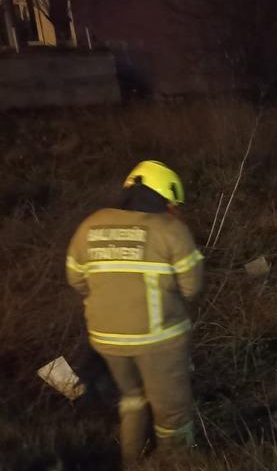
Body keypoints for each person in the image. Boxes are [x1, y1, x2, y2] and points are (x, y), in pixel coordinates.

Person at [65, 160, 204, 462]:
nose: (174, 210)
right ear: (164, 197)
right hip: (159, 341)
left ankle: (130, 460)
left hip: (106, 341)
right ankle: (175, 462)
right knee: (173, 412)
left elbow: (76, 279)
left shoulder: (91, 224)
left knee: (132, 398)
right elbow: (192, 287)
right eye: (172, 203)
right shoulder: (171, 230)